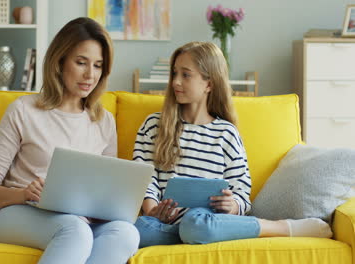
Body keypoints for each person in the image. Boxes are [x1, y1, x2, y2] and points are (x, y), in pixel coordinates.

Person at [0, 17, 139, 264]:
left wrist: (104, 210)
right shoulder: (23, 110)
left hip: (79, 219)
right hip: (18, 213)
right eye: (81, 62)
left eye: (98, 66)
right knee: (75, 231)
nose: (89, 75)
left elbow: (107, 194)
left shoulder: (104, 121)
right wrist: (24, 194)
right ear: (59, 62)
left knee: (126, 233)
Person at [133, 41, 333, 248]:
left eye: (185, 75)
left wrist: (233, 205)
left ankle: (279, 228)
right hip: (163, 226)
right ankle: (198, 234)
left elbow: (241, 189)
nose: (175, 82)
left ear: (209, 84)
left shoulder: (226, 133)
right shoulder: (154, 125)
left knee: (196, 223)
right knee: (139, 230)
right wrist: (152, 210)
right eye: (174, 73)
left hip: (205, 220)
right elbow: (143, 178)